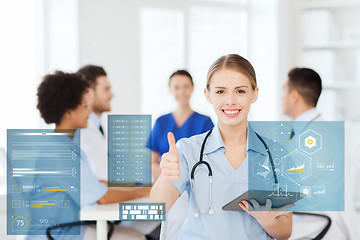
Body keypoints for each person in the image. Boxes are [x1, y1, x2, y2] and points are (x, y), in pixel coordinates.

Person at [151, 54, 293, 240]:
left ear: (255, 93)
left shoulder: (277, 155)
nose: (230, 101)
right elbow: (156, 209)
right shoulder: (188, 150)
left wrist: (267, 220)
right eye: (220, 92)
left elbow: (285, 231)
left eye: (240, 91)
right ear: (207, 95)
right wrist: (167, 177)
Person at [31, 71, 150, 240]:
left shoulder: (63, 144)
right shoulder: (60, 153)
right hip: (60, 232)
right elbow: (103, 197)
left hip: (68, 226)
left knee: (134, 233)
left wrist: (140, 187)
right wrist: (142, 191)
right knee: (135, 237)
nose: (88, 112)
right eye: (84, 106)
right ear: (69, 112)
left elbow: (95, 184)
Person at [281, 68, 349, 239]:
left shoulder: (314, 137)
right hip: (315, 220)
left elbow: (301, 189)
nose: (281, 97)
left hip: (316, 225)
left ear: (294, 95)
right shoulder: (319, 131)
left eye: (284, 91)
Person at [147, 70, 214, 182]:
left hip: (196, 184)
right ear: (170, 90)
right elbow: (153, 161)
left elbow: (212, 160)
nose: (182, 92)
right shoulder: (161, 122)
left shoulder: (205, 122)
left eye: (186, 86)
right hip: (165, 183)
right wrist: (163, 183)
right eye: (176, 87)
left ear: (192, 88)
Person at [78, 65, 113, 181]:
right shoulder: (80, 131)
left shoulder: (97, 126)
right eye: (106, 89)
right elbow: (101, 176)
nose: (112, 95)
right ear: (87, 92)